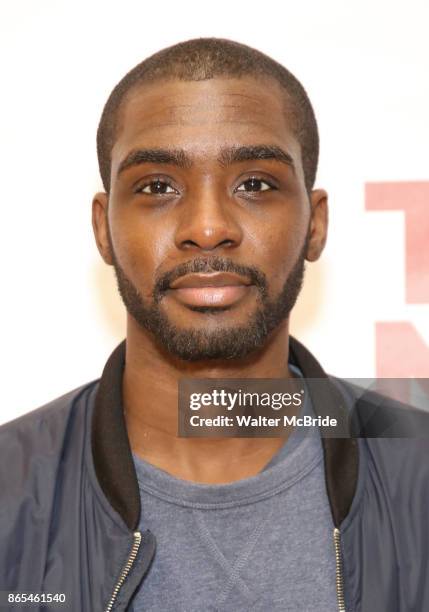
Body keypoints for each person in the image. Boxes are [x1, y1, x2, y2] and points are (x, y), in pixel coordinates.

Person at [1, 37, 428, 612]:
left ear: (314, 224)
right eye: (157, 187)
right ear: (103, 230)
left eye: (255, 184)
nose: (207, 227)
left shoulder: (419, 476)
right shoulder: (9, 490)